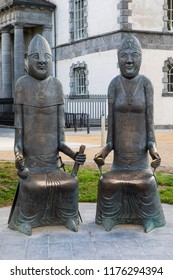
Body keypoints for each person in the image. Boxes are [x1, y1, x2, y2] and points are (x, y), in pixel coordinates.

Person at [8, 34, 86, 236]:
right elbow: (18, 143)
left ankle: (67, 216)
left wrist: (73, 155)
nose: (42, 60)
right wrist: (19, 160)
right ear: (27, 60)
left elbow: (60, 141)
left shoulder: (57, 86)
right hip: (32, 165)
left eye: (46, 56)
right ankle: (25, 221)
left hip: (52, 164)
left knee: (70, 182)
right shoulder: (21, 86)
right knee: (31, 184)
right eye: (36, 56)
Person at [94, 35, 166, 233]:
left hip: (140, 164)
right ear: (118, 59)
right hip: (119, 163)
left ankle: (149, 218)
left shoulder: (146, 85)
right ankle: (111, 216)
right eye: (124, 55)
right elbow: (110, 139)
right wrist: (103, 152)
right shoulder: (114, 85)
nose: (129, 60)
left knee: (146, 183)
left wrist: (154, 152)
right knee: (108, 182)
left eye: (134, 55)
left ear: (140, 58)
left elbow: (150, 134)